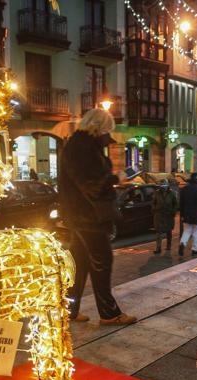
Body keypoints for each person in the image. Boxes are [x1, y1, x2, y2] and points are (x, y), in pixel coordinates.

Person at [57, 108, 136, 326]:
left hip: (79, 214)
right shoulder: (83, 148)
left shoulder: (78, 145)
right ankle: (109, 313)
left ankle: (69, 311)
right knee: (102, 261)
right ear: (99, 128)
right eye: (106, 132)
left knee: (80, 263)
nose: (107, 138)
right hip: (88, 215)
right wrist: (116, 178)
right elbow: (91, 186)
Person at [178, 172, 197, 256]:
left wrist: (182, 215)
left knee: (186, 231)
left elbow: (181, 203)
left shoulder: (184, 189)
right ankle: (194, 249)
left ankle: (182, 243)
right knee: (196, 232)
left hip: (187, 214)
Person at [152, 180, 178, 254]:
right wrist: (154, 209)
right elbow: (153, 202)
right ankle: (158, 248)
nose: (163, 188)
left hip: (168, 214)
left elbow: (175, 204)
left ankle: (168, 246)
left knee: (168, 231)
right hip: (159, 214)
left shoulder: (172, 193)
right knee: (158, 232)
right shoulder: (157, 193)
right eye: (161, 186)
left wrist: (173, 211)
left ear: (167, 186)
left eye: (164, 186)